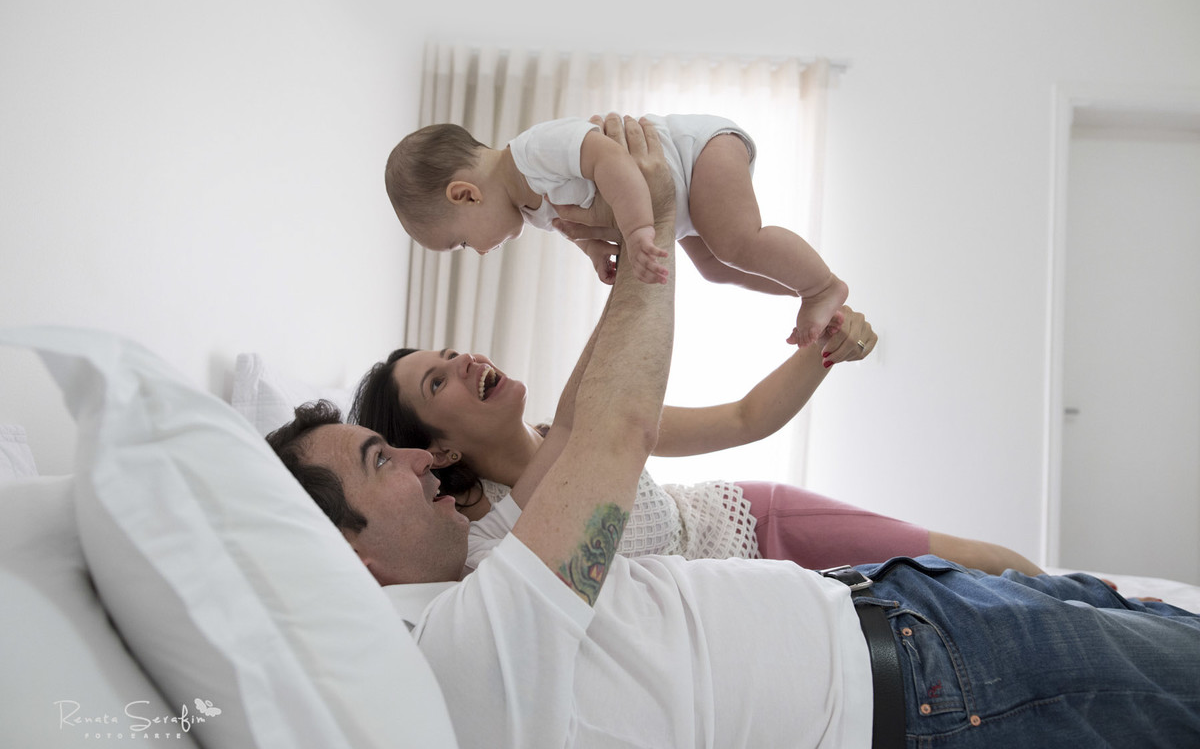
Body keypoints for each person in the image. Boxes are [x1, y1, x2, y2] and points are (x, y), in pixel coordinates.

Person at [270, 116, 1200, 748]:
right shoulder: (471, 615)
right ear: (350, 557)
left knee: (1125, 612)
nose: (421, 456)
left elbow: (620, 415)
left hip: (876, 603)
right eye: (384, 454)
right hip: (918, 674)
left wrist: (635, 251)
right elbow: (618, 432)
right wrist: (650, 231)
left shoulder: (474, 590)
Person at [349, 316, 1041, 579]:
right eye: (438, 380)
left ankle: (1112, 606)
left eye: (450, 352)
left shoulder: (590, 425)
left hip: (753, 524)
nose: (467, 360)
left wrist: (826, 351)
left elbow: (743, 418)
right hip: (749, 606)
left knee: (982, 566)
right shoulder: (482, 535)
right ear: (433, 451)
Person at [385, 113, 848, 347]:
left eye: (463, 242)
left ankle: (822, 285)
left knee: (736, 242)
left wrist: (640, 227)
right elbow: (573, 226)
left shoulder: (534, 151)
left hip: (695, 155)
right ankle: (798, 287)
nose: (480, 252)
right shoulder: (529, 208)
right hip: (684, 198)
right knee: (716, 268)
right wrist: (592, 251)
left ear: (465, 195)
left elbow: (610, 161)